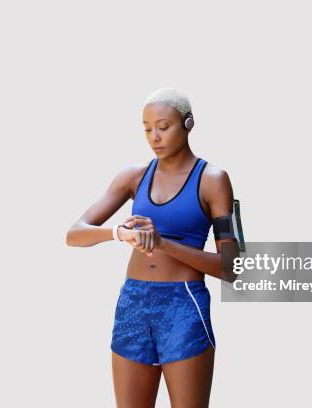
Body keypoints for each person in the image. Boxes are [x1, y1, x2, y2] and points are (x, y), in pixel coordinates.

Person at [66, 87, 237, 407]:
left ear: (188, 124)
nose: (154, 136)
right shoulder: (133, 175)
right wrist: (118, 232)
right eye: (147, 129)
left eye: (163, 126)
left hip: (183, 304)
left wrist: (162, 243)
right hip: (134, 302)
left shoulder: (213, 179)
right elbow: (74, 233)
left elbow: (232, 269)